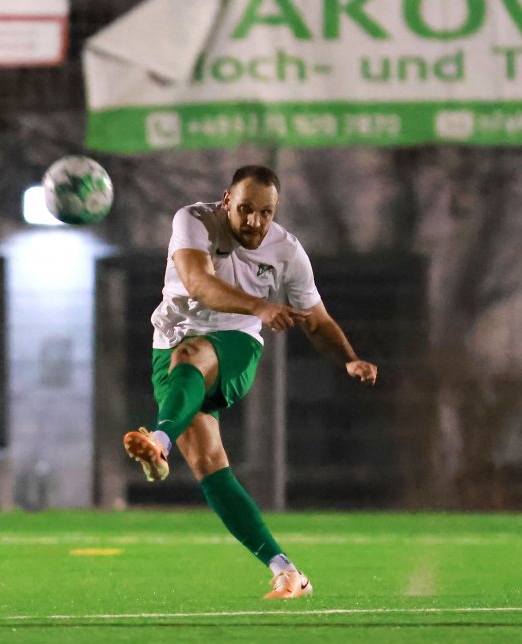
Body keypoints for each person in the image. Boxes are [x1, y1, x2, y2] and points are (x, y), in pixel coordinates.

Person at [122, 165, 378, 600]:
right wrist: (261, 305)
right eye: (244, 210)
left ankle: (161, 441)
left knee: (193, 357)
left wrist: (349, 359)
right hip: (169, 341)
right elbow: (199, 284)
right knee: (208, 463)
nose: (254, 222)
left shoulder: (288, 252)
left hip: (235, 343)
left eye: (265, 212)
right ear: (226, 201)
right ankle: (288, 572)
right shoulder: (194, 221)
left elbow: (317, 321)